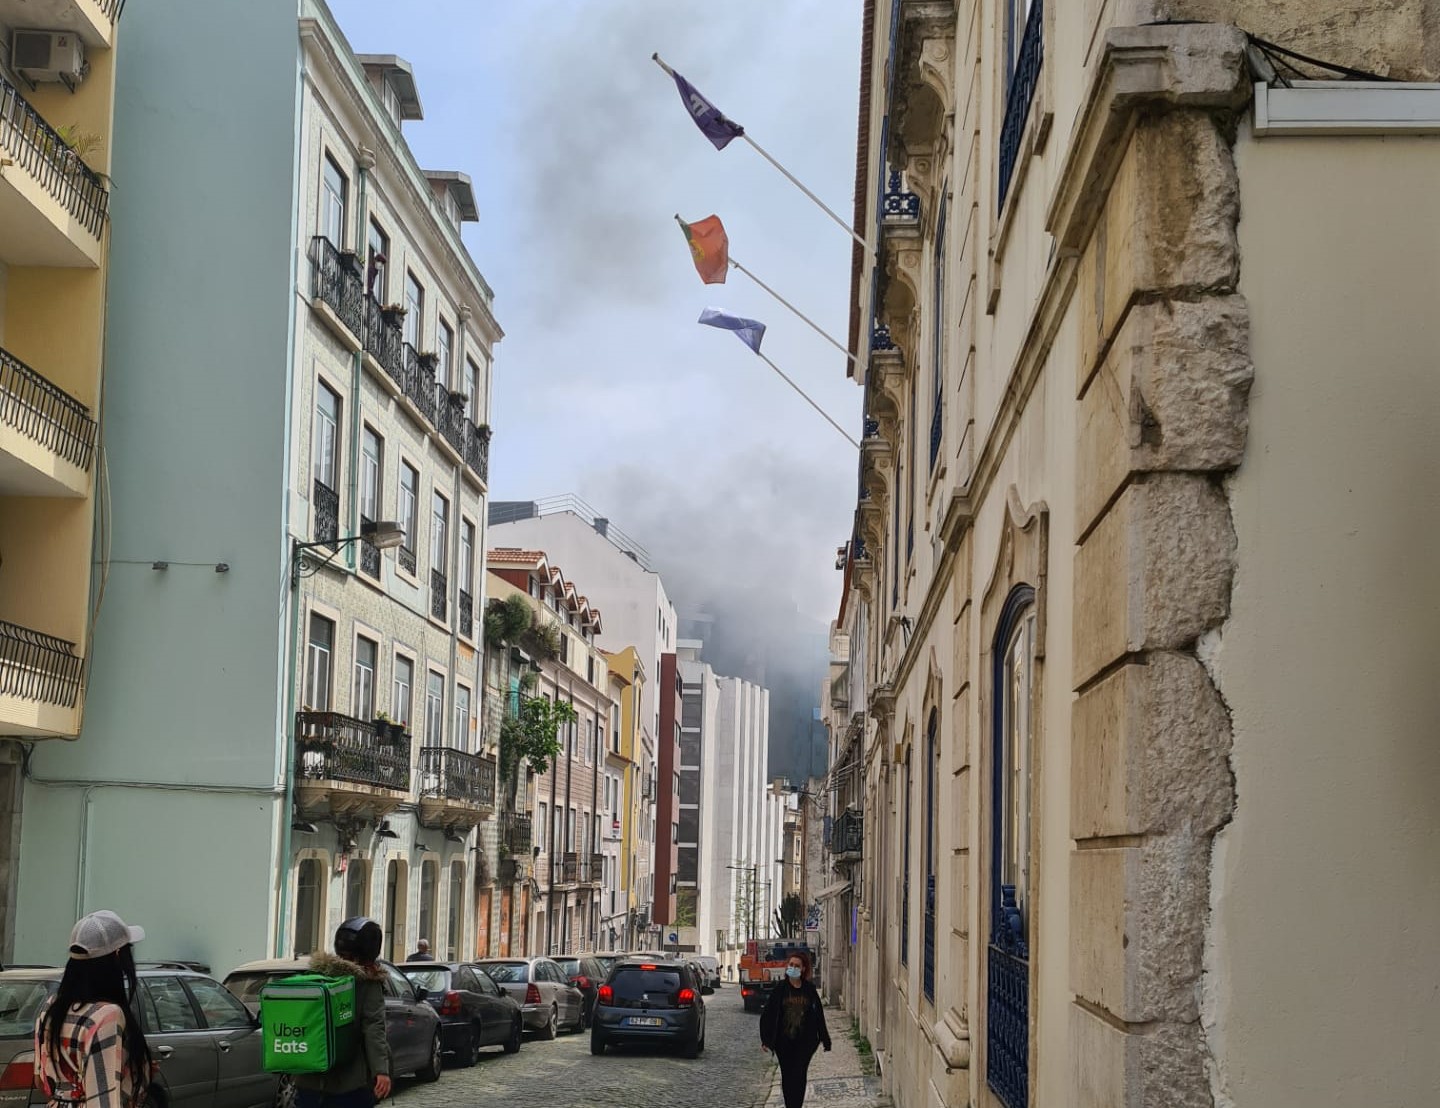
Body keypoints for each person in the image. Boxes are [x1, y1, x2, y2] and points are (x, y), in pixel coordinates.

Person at [34, 909, 154, 1108]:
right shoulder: (106, 1016)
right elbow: (103, 1100)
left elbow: (41, 1081)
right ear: (117, 955)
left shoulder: (52, 1007)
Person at [294, 917, 391, 1108]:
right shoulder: (367, 983)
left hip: (310, 1080)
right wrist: (381, 1070)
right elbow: (374, 1028)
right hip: (349, 1082)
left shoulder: (317, 977)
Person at [759, 952, 831, 1108]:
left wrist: (825, 1039)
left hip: (805, 1042)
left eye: (797, 965)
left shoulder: (809, 990)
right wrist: (766, 1039)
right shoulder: (780, 989)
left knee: (799, 1074)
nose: (793, 968)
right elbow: (769, 1014)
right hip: (784, 1042)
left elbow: (819, 1014)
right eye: (791, 965)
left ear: (803, 969)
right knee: (787, 1075)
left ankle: (796, 1105)